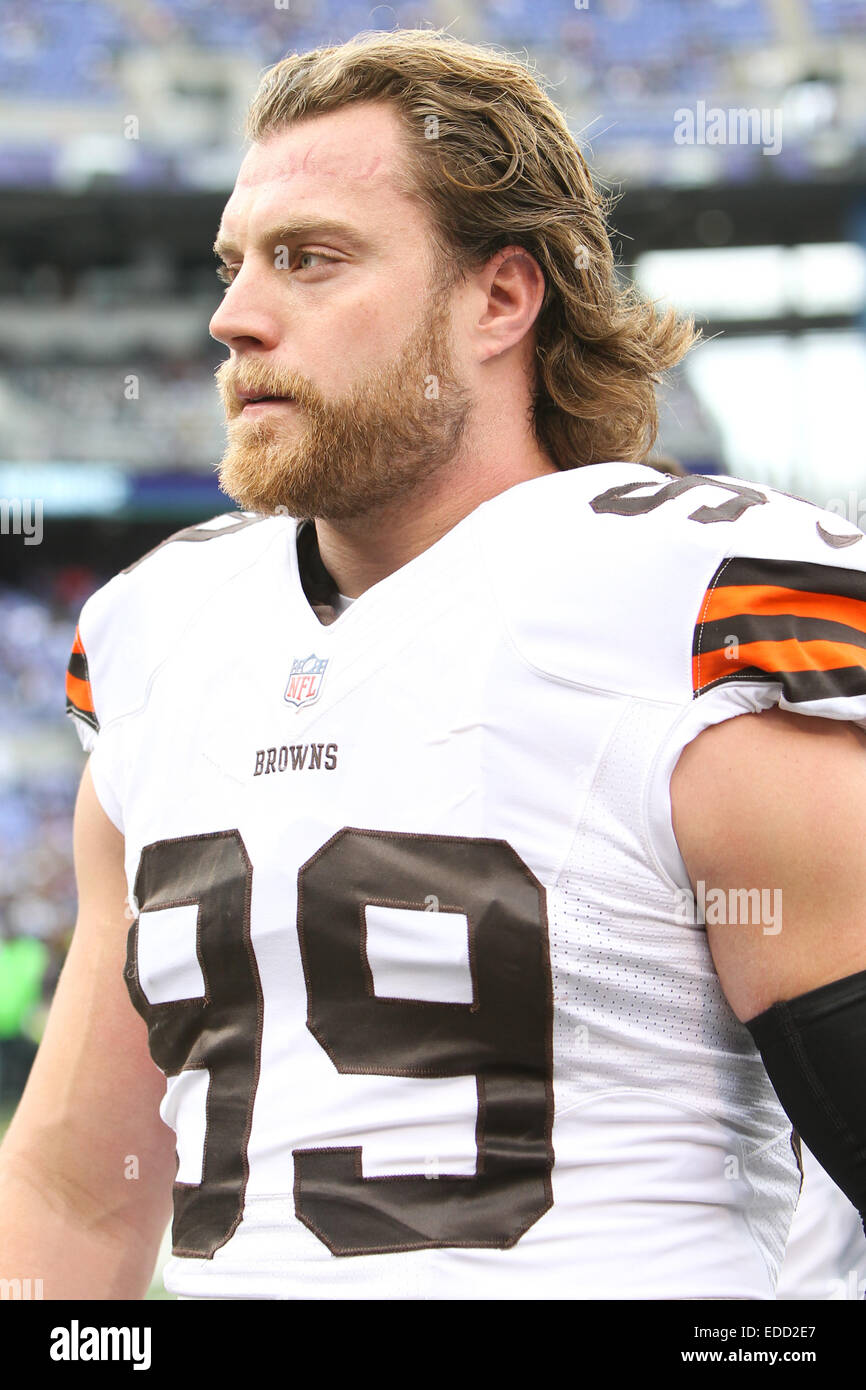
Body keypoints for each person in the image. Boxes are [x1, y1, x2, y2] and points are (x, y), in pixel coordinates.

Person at [1, 28, 865, 1301]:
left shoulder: (683, 614)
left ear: (499, 299)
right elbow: (76, 1193)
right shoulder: (157, 635)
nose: (232, 316)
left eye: (309, 259)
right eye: (234, 263)